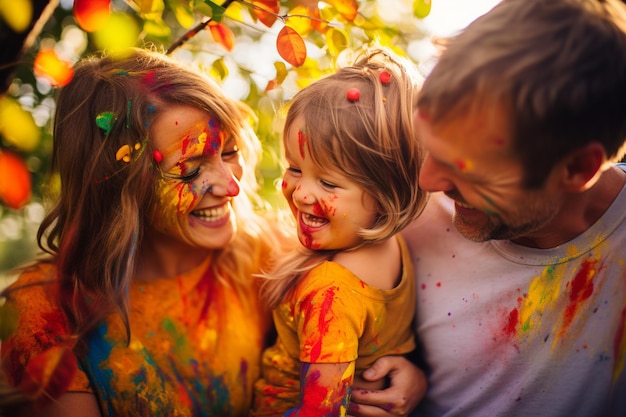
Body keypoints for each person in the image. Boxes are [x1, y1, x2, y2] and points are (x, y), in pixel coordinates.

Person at [0, 48, 425, 417]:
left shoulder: (273, 255)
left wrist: (405, 378)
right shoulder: (43, 314)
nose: (232, 185)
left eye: (230, 152)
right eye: (189, 170)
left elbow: (359, 329)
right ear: (116, 187)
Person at [387, 0, 626, 416]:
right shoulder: (407, 217)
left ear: (577, 168)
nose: (428, 182)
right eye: (430, 149)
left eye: (468, 170)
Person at [251, 49, 427, 416]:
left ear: (385, 193)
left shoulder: (330, 290)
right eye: (294, 168)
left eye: (328, 181)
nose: (300, 193)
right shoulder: (391, 246)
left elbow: (321, 411)